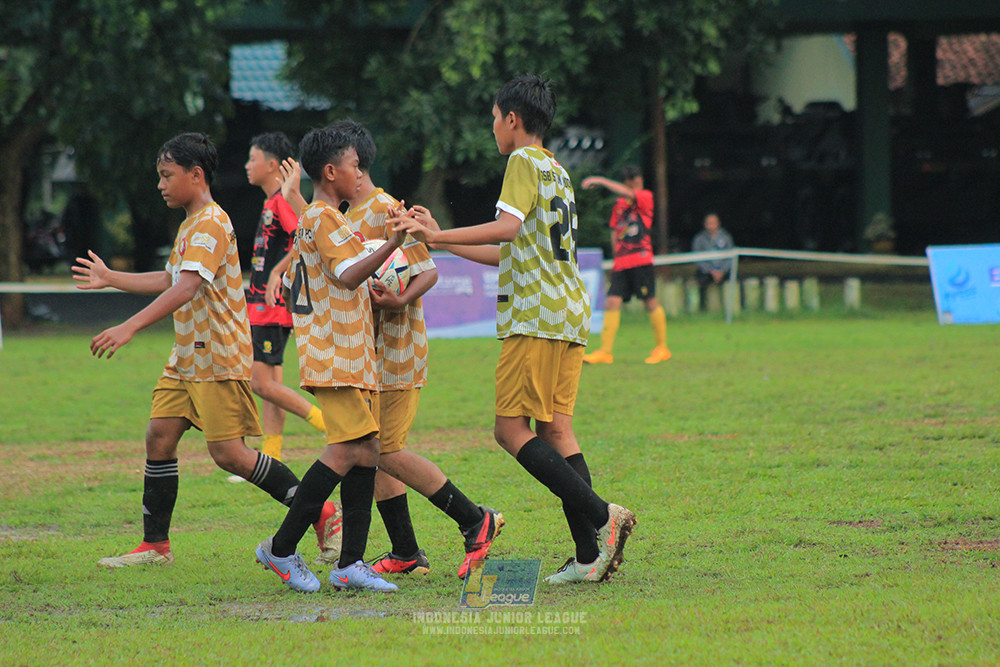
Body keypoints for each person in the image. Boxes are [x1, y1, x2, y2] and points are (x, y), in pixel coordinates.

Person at [393, 74, 637, 585]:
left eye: (493, 119)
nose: (493, 129)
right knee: (557, 430)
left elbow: (504, 229)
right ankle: (590, 556)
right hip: (568, 313)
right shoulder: (556, 170)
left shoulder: (521, 162)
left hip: (536, 316)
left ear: (512, 119)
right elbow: (510, 250)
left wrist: (436, 232)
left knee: (509, 430)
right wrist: (440, 242)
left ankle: (601, 515)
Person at [72, 133, 338, 568]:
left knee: (229, 455)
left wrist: (130, 326)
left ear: (195, 175)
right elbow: (169, 278)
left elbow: (188, 285)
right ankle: (155, 546)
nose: (160, 184)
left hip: (217, 355)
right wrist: (111, 277)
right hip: (186, 357)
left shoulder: (212, 222)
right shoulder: (190, 224)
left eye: (166, 175)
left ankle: (320, 509)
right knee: (159, 436)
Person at [325, 119, 502, 579]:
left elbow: (428, 270)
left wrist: (400, 297)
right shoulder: (341, 215)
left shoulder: (385, 207)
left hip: (398, 351)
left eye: (334, 165)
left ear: (354, 165)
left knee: (384, 450)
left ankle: (473, 518)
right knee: (373, 450)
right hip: (370, 352)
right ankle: (405, 551)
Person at [252, 124, 406, 593]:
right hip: (333, 354)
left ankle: (349, 565)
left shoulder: (325, 218)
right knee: (347, 449)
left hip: (352, 354)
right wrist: (393, 244)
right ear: (331, 171)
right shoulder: (323, 219)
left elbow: (351, 270)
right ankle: (280, 549)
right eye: (355, 165)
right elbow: (346, 275)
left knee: (367, 450)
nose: (361, 174)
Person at [241, 132, 327, 466]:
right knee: (270, 384)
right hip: (262, 306)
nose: (248, 165)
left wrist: (277, 272)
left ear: (273, 165)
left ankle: (328, 423)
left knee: (259, 383)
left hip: (272, 308)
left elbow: (303, 237)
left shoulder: (282, 202)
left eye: (253, 158)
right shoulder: (270, 202)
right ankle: (271, 457)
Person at [580, 165, 670, 365]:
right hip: (622, 262)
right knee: (612, 302)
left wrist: (601, 180)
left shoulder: (645, 197)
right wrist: (616, 257)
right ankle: (605, 352)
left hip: (641, 259)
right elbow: (614, 230)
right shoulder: (620, 204)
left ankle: (662, 348)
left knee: (650, 301)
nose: (635, 185)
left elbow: (629, 193)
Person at [692, 212, 734, 307]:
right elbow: (697, 258)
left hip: (724, 271)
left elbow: (730, 257)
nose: (711, 225)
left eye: (713, 223)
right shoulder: (699, 239)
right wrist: (711, 271)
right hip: (706, 272)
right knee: (700, 280)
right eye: (708, 223)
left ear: (718, 223)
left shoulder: (726, 238)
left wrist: (722, 271)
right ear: (705, 224)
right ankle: (703, 307)